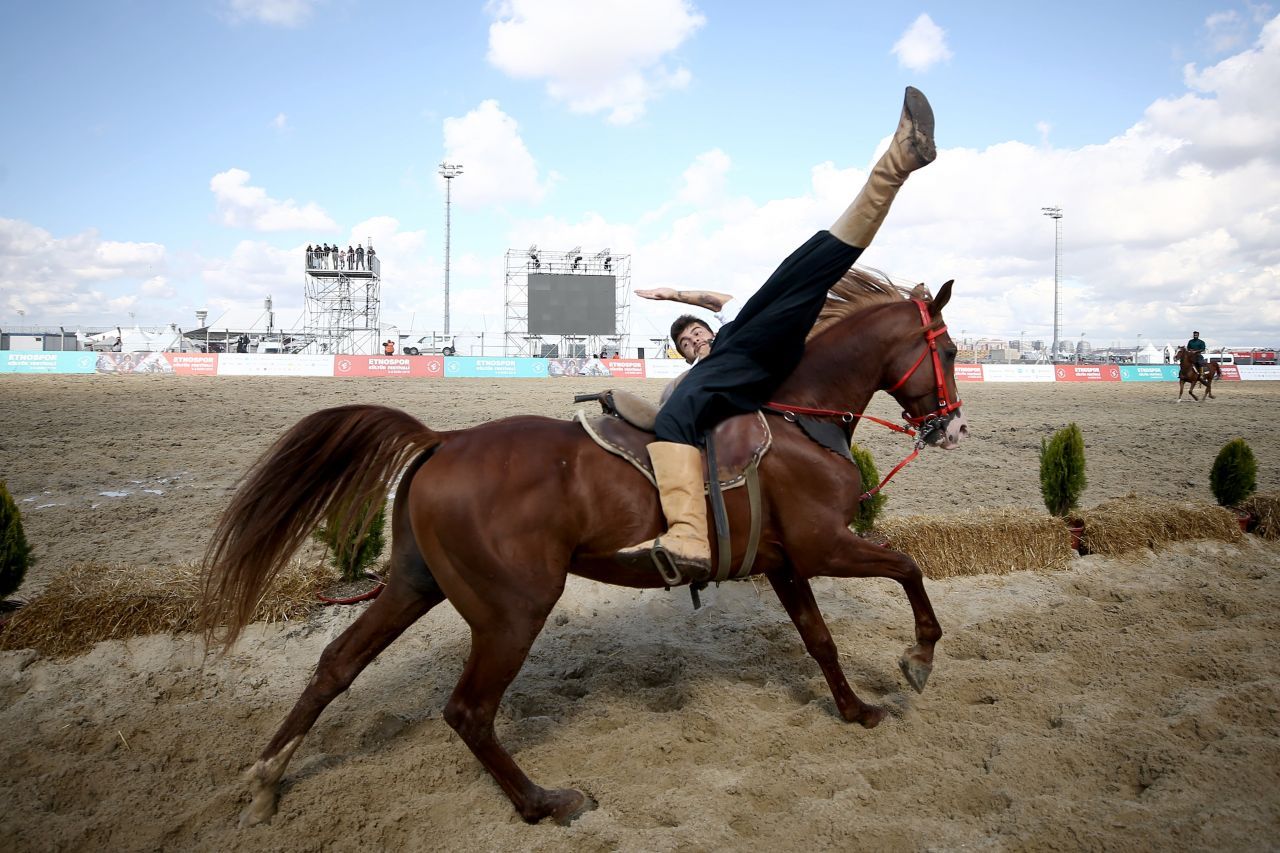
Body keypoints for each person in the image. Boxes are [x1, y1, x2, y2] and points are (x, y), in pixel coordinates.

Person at [616, 86, 937, 581]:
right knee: (819, 259)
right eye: (685, 344)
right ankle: (898, 161)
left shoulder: (731, 317)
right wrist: (700, 358)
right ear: (685, 355)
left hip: (752, 337)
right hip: (752, 354)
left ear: (708, 328)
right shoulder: (708, 368)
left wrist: (674, 294)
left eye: (696, 333)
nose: (694, 340)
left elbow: (712, 299)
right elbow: (692, 380)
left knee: (812, 256)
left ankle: (686, 536)